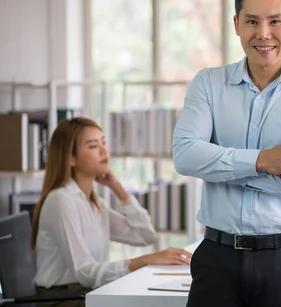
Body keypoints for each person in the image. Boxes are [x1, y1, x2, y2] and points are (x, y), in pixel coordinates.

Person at [173, 0, 281, 307]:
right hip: (216, 258)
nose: (263, 34)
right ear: (236, 24)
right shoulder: (208, 84)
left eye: (275, 21)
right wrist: (263, 160)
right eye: (252, 21)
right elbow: (185, 156)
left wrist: (219, 166)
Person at [32, 117, 192, 306]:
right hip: (61, 298)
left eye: (104, 142)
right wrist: (142, 261)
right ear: (71, 158)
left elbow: (145, 235)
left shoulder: (91, 200)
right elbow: (84, 272)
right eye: (93, 145)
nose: (103, 150)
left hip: (86, 291)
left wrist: (117, 188)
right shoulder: (61, 201)